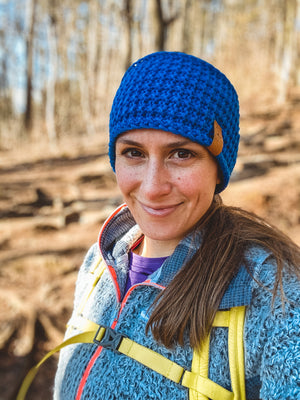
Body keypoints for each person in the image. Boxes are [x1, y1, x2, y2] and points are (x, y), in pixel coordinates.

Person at [53, 51, 300, 400]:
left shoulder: (273, 292)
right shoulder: (99, 262)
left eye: (181, 154)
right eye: (133, 153)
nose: (153, 187)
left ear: (219, 169)